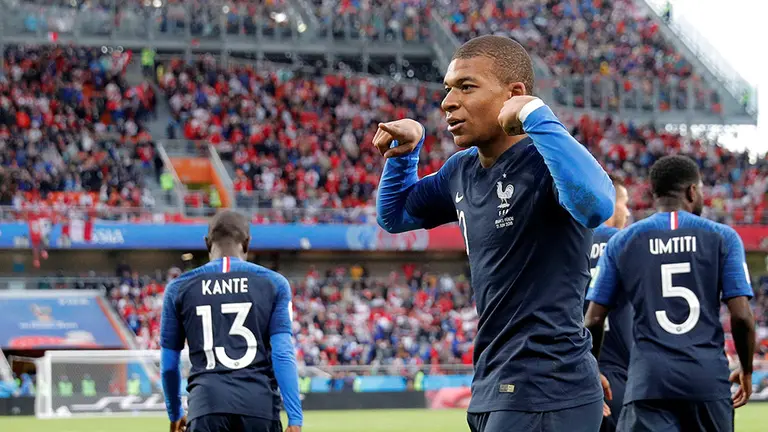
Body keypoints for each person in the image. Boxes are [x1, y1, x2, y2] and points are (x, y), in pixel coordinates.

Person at [374, 35, 615, 432]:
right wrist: (406, 155)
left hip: (547, 388)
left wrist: (536, 113)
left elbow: (596, 206)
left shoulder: (549, 159)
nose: (448, 102)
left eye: (466, 87)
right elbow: (396, 216)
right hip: (493, 384)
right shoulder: (461, 170)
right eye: (449, 89)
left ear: (514, 94)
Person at [585, 155, 756, 432]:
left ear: (654, 194)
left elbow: (593, 320)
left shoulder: (623, 241)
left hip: (648, 383)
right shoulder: (722, 237)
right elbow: (742, 317)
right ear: (692, 190)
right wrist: (747, 370)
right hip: (707, 380)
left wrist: (592, 370)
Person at [160, 210, 302, 432]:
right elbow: (283, 353)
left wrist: (175, 412)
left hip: (206, 406)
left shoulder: (178, 288)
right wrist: (295, 418)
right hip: (259, 406)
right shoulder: (274, 284)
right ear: (247, 243)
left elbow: (169, 365)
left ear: (207, 243)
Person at [586, 175, 632, 431]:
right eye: (625, 203)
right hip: (617, 375)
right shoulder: (626, 243)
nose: (627, 211)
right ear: (612, 203)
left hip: (573, 373)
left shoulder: (569, 243)